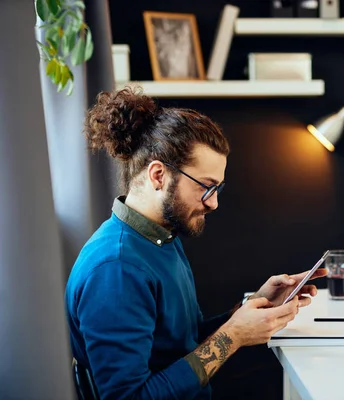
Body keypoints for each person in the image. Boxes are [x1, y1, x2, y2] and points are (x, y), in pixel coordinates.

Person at [64, 86, 326, 400]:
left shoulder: (161, 238)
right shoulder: (116, 269)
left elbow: (180, 346)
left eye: (218, 188)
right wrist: (234, 336)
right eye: (205, 187)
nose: (213, 203)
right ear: (159, 175)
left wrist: (249, 309)